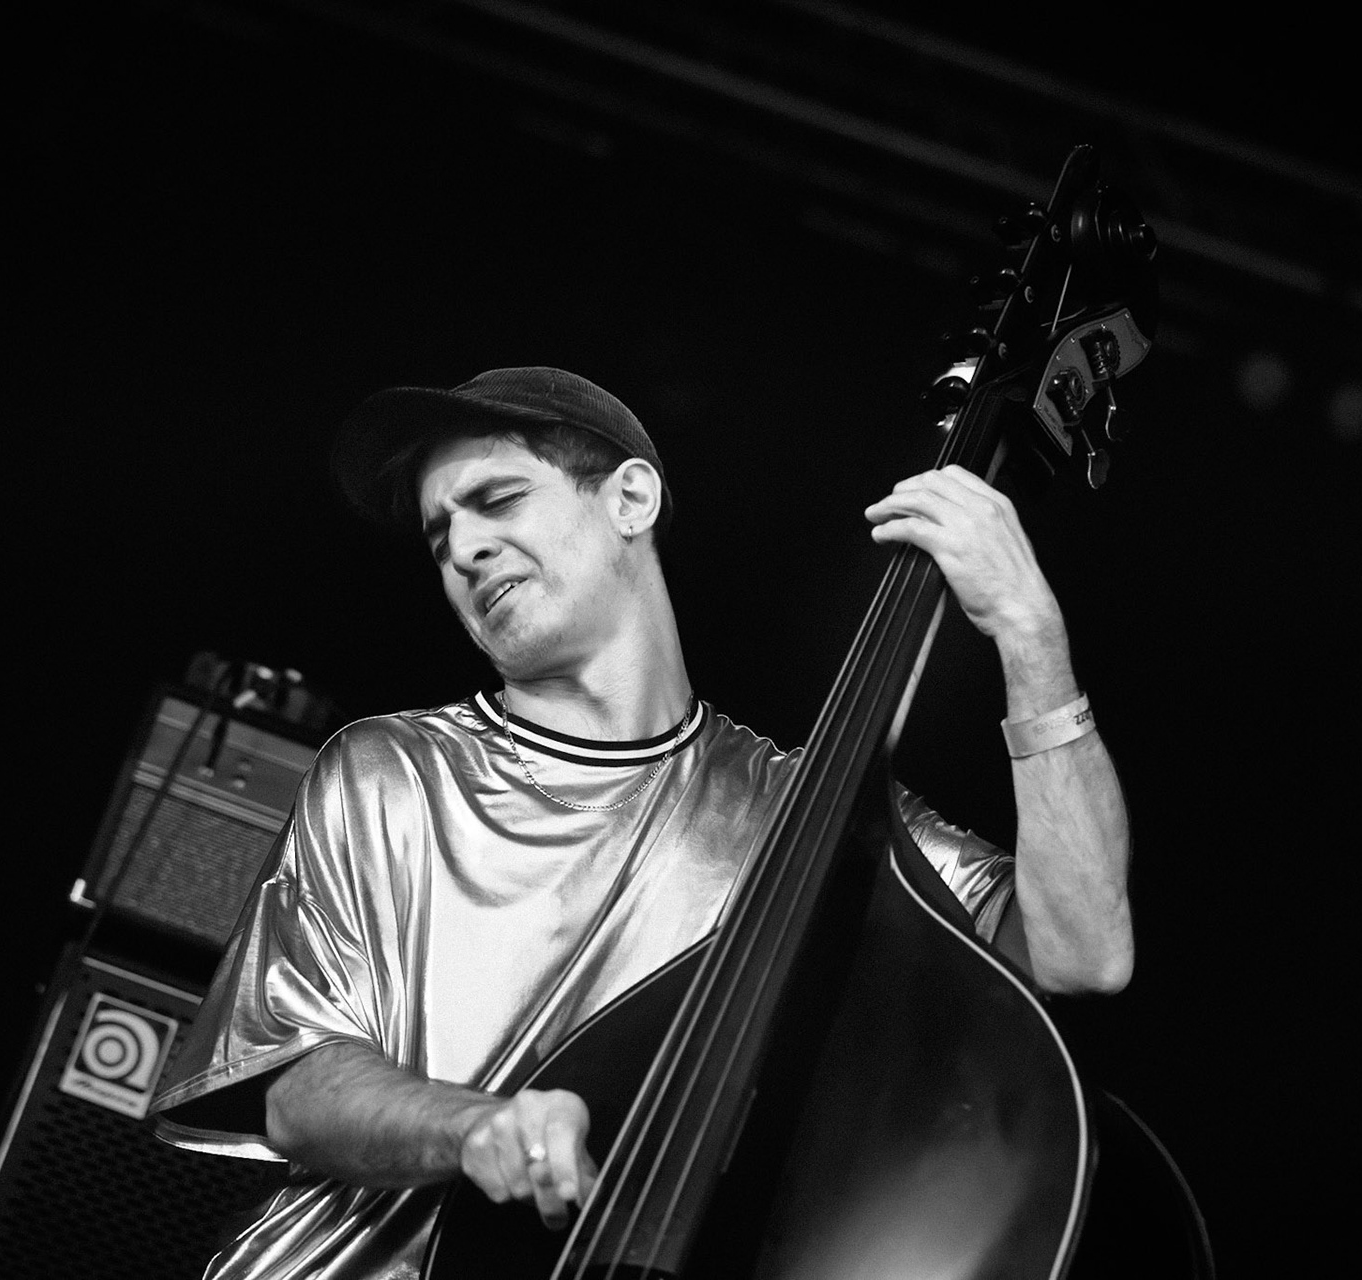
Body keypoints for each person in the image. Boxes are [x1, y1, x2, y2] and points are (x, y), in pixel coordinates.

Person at [149, 366, 1133, 1280]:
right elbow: (294, 1083)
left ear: (630, 498)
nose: (461, 547)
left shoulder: (812, 816)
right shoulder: (392, 769)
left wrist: (1031, 635)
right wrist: (475, 1126)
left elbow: (1082, 950)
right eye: (438, 532)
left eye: (495, 501)